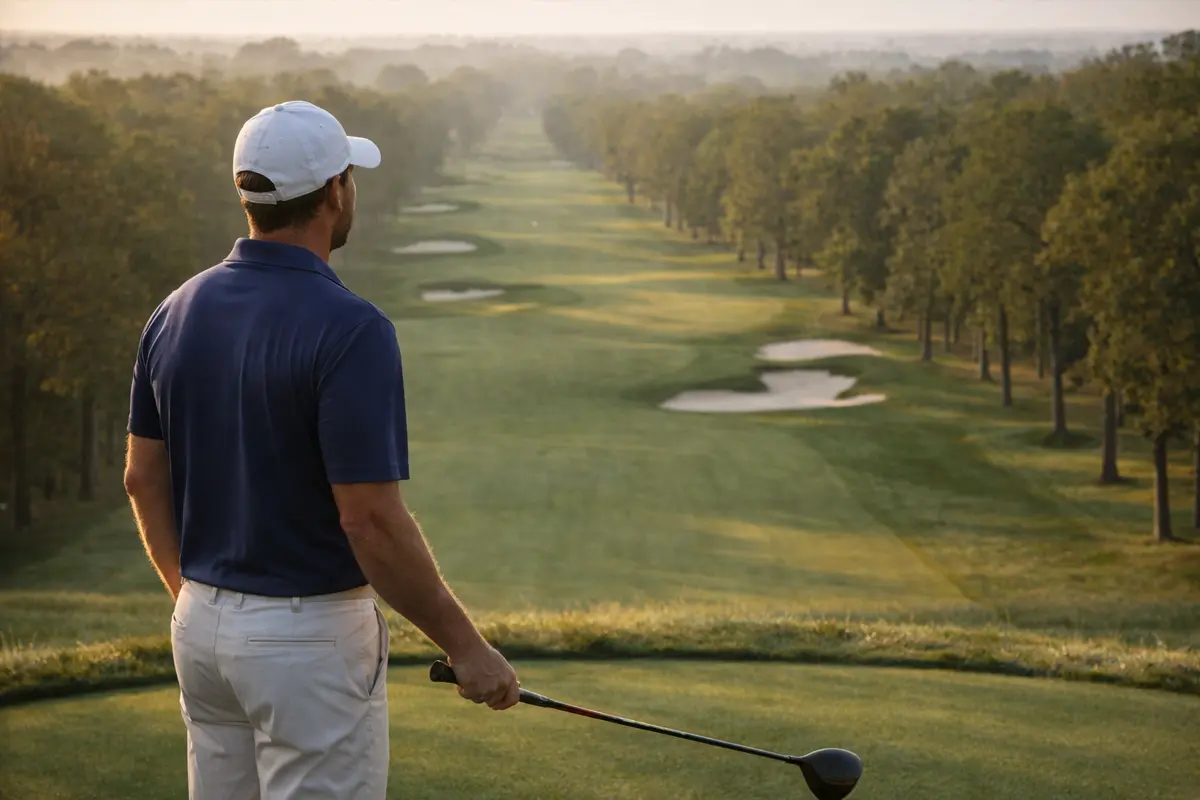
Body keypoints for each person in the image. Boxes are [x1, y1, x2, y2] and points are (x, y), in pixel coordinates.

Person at [122, 100, 519, 800]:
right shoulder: (352, 328)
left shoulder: (175, 308)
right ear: (335, 193)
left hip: (201, 625)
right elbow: (369, 520)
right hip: (307, 642)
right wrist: (466, 647)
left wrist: (194, 599)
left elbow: (140, 477)